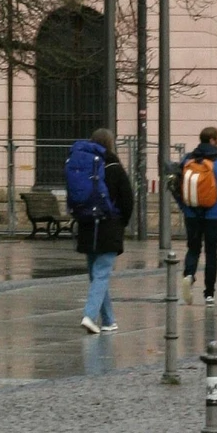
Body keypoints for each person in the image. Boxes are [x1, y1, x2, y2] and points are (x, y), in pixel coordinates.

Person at [71, 128, 135, 335]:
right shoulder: (114, 167)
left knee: (97, 274)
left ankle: (108, 320)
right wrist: (122, 223)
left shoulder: (84, 166)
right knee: (101, 274)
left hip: (87, 224)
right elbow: (127, 200)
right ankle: (90, 316)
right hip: (109, 225)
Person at [177, 125, 217, 303]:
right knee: (211, 253)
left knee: (193, 248)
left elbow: (178, 187)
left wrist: (184, 206)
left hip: (191, 213)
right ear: (212, 140)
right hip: (213, 214)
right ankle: (209, 293)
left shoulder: (188, 159)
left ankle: (189, 275)